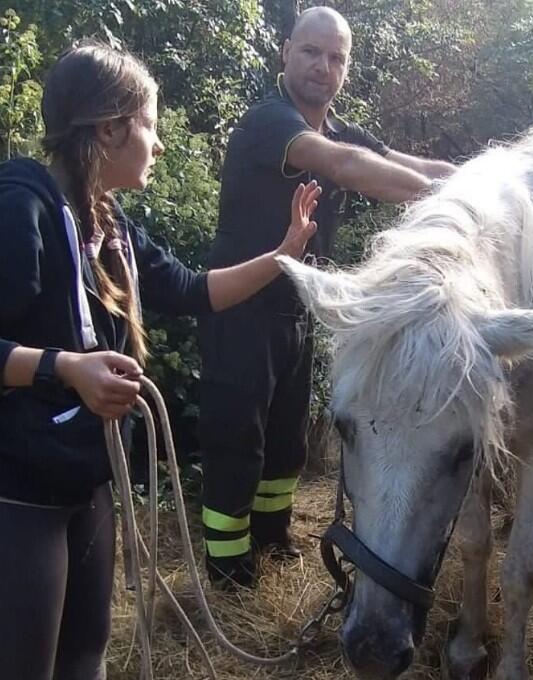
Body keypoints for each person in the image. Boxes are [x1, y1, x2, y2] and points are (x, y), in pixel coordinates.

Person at [0, 42, 321, 680]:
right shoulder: (19, 211)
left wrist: (285, 254)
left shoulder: (108, 224)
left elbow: (192, 290)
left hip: (79, 479)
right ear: (109, 128)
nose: (158, 146)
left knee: (86, 657)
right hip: (3, 490)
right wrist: (63, 368)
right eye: (151, 126)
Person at [197, 6, 456, 588]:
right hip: (240, 308)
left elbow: (404, 163)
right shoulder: (272, 122)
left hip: (296, 309)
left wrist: (482, 180)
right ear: (286, 52)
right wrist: (456, 201)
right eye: (312, 52)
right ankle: (227, 568)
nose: (323, 66)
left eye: (336, 57)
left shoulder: (341, 130)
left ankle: (271, 539)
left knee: (287, 437)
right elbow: (345, 166)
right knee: (238, 436)